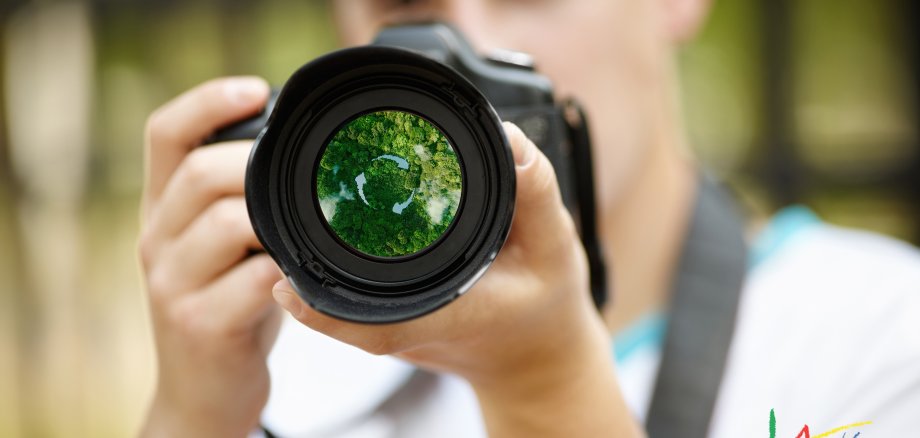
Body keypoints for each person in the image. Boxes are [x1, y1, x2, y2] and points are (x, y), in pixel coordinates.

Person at [138, 1, 920, 437]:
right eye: (406, 5)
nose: (464, 48)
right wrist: (193, 415)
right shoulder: (289, 360)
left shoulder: (879, 338)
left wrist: (546, 387)